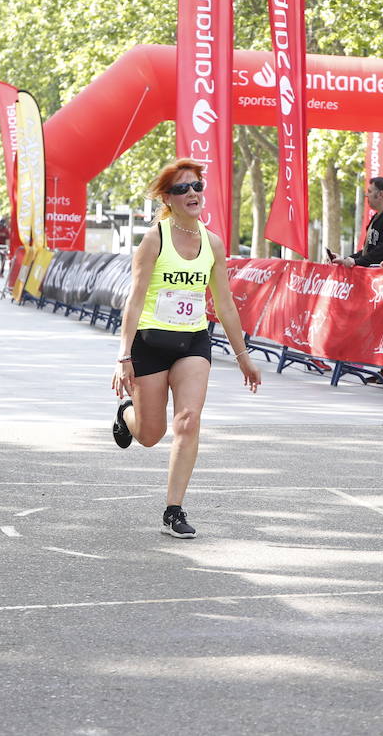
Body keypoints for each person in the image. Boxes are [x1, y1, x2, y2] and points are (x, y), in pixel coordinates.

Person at [111, 158, 261, 539]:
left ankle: (173, 510)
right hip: (151, 342)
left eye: (196, 186)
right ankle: (127, 414)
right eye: (182, 189)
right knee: (149, 435)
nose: (192, 194)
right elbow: (135, 298)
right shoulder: (154, 239)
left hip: (192, 341)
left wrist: (243, 356)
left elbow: (224, 303)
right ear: (168, 197)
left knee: (188, 420)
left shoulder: (212, 243)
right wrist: (123, 356)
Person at [331, 176, 383, 268]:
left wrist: (356, 261)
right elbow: (368, 251)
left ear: (380, 194)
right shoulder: (376, 217)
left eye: (370, 191)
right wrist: (345, 259)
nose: (366, 195)